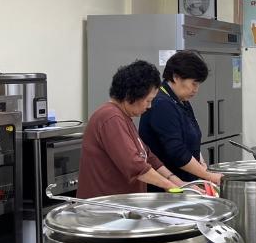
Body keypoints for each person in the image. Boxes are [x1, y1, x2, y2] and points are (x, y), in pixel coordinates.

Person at [77, 60, 182, 198]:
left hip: (121, 206)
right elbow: (135, 166)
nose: (149, 106)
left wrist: (175, 180)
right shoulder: (111, 118)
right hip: (104, 209)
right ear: (130, 95)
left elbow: (148, 156)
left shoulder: (124, 117)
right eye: (148, 100)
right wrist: (168, 185)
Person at [139, 51, 223, 188]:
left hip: (186, 182)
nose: (196, 90)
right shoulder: (162, 104)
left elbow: (192, 140)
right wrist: (207, 176)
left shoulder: (181, 100)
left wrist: (202, 168)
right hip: (166, 188)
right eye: (194, 84)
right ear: (176, 77)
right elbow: (177, 152)